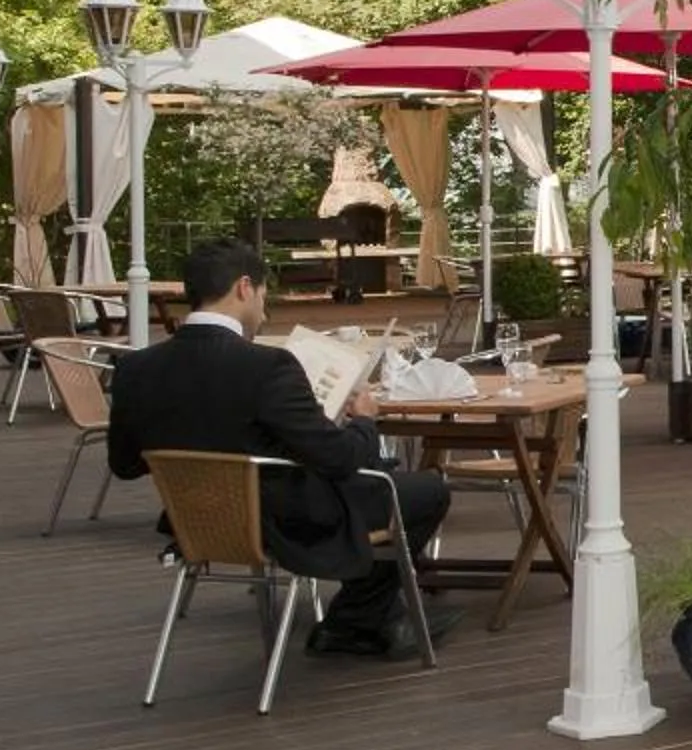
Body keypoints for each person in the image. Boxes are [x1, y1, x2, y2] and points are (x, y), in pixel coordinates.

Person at [107, 239, 455, 659]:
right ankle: (357, 621)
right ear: (244, 287)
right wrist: (363, 419)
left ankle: (365, 619)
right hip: (286, 523)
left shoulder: (135, 370)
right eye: (263, 296)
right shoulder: (266, 366)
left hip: (200, 522)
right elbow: (341, 459)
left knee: (383, 484)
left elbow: (125, 464)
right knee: (426, 491)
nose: (263, 307)